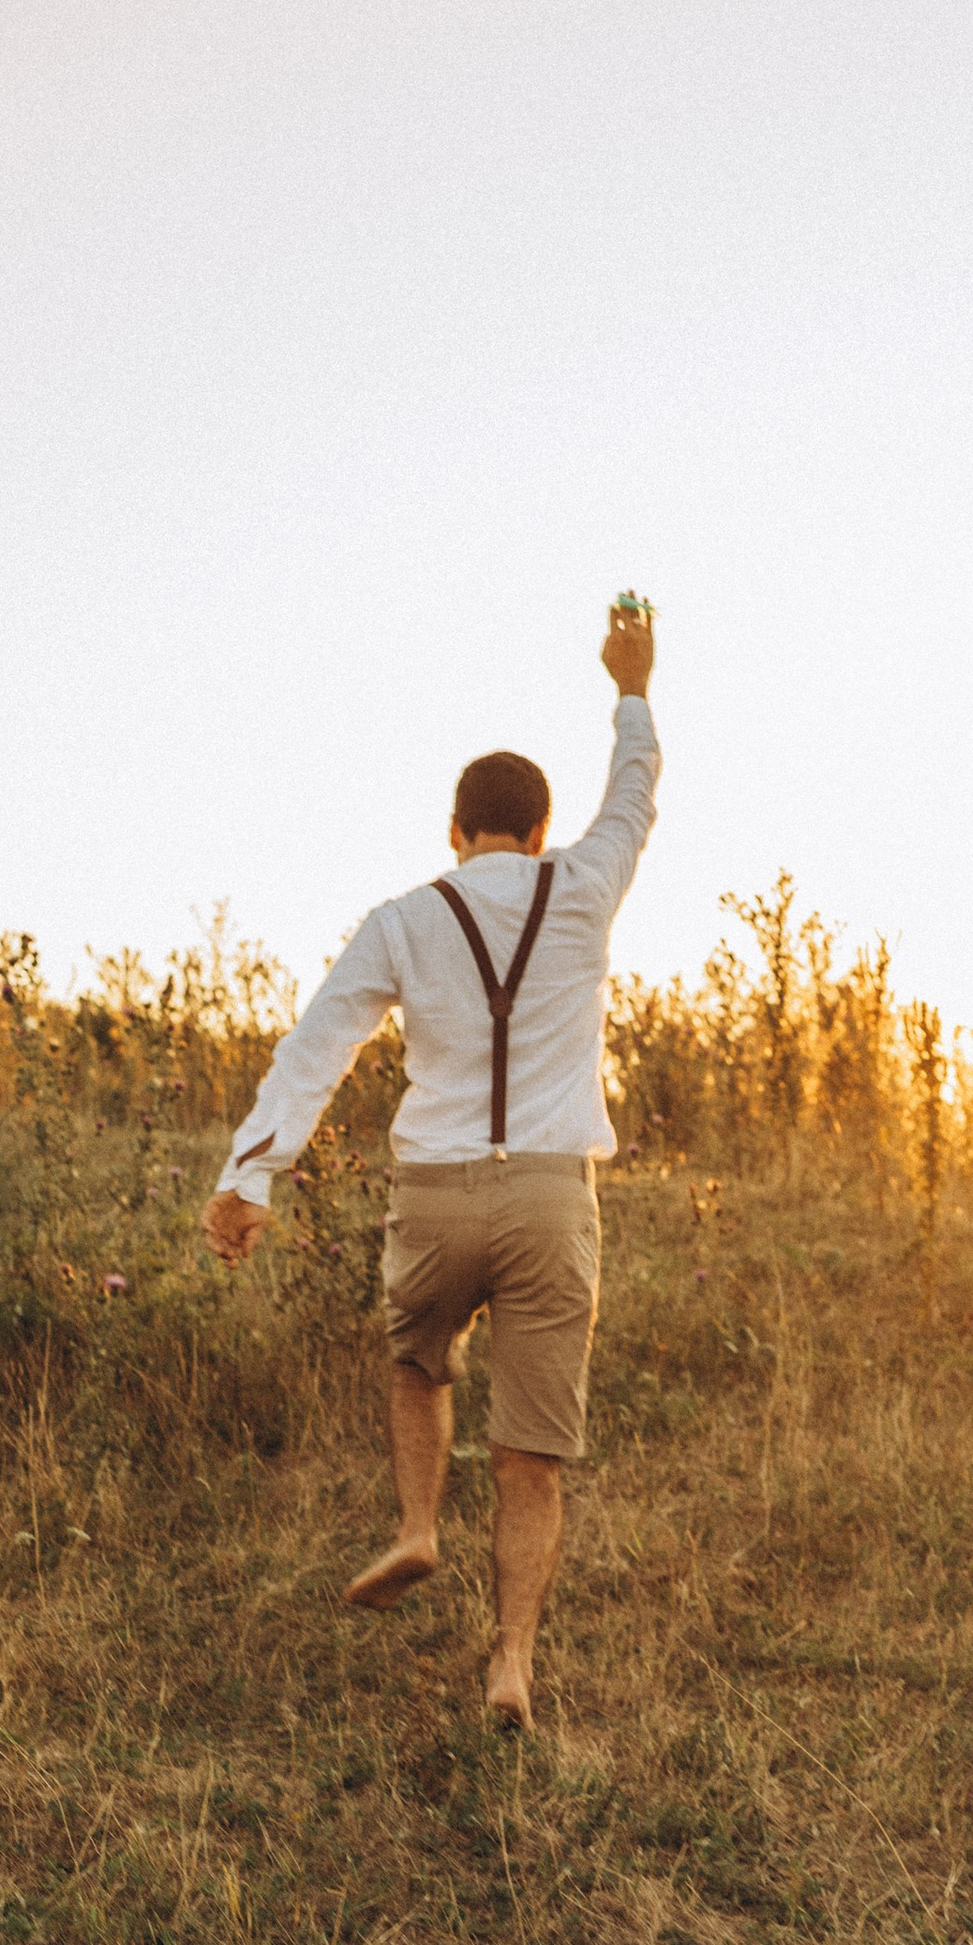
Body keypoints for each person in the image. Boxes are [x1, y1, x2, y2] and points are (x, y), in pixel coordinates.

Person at [202, 597, 660, 1728]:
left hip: (438, 1197)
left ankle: (416, 1527)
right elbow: (635, 793)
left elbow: (317, 1046)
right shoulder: (585, 883)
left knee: (418, 1362)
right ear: (539, 832)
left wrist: (250, 1175)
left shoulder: (403, 919)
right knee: (531, 1454)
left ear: (455, 832)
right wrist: (631, 685)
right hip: (551, 1197)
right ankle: (511, 1662)